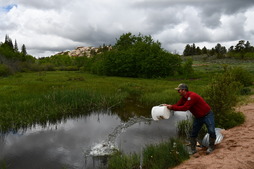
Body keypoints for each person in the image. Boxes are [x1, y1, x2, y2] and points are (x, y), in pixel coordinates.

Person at [164, 83, 216, 155]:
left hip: (207, 115)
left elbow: (185, 108)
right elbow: (177, 105)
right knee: (193, 133)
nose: (178, 92)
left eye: (179, 90)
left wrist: (172, 107)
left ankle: (211, 147)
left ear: (184, 90)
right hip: (198, 117)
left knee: (211, 131)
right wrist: (168, 106)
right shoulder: (183, 98)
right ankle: (193, 150)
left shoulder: (192, 96)